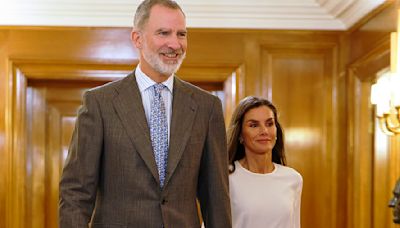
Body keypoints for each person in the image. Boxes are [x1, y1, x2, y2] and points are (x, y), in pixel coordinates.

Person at [59, 0, 232, 227]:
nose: (175, 44)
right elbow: (76, 194)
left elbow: (216, 198)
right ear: (137, 39)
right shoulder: (100, 103)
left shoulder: (206, 107)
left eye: (181, 34)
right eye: (163, 33)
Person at [227, 96, 303, 228]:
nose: (264, 131)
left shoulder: (293, 179)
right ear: (240, 134)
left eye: (269, 123)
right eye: (254, 125)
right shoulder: (226, 177)